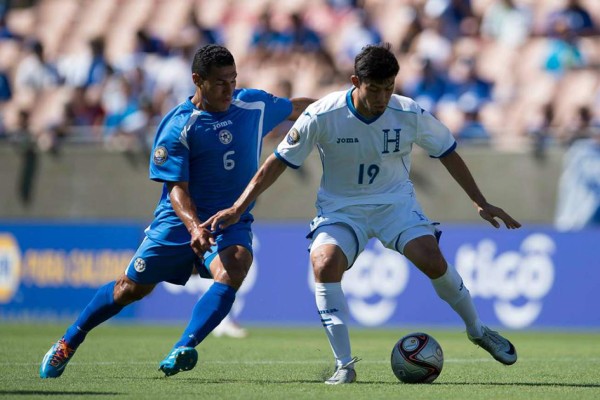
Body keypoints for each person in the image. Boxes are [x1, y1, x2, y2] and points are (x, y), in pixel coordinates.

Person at [204, 43, 521, 385]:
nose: (383, 97)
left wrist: (480, 200)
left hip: (394, 205)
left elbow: (447, 152)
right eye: (375, 88)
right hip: (341, 210)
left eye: (390, 88)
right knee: (324, 264)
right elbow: (278, 161)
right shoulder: (323, 114)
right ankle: (344, 365)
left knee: (431, 257)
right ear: (356, 81)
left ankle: (477, 330)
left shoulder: (408, 112)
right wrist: (239, 207)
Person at [39, 44, 313, 378]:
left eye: (233, 79)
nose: (229, 89)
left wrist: (339, 108)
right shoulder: (179, 125)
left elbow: (297, 108)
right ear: (198, 80)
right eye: (220, 83)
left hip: (229, 219)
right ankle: (70, 340)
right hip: (179, 222)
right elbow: (176, 190)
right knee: (130, 289)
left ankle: (184, 346)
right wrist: (195, 228)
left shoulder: (251, 104)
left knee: (236, 265)